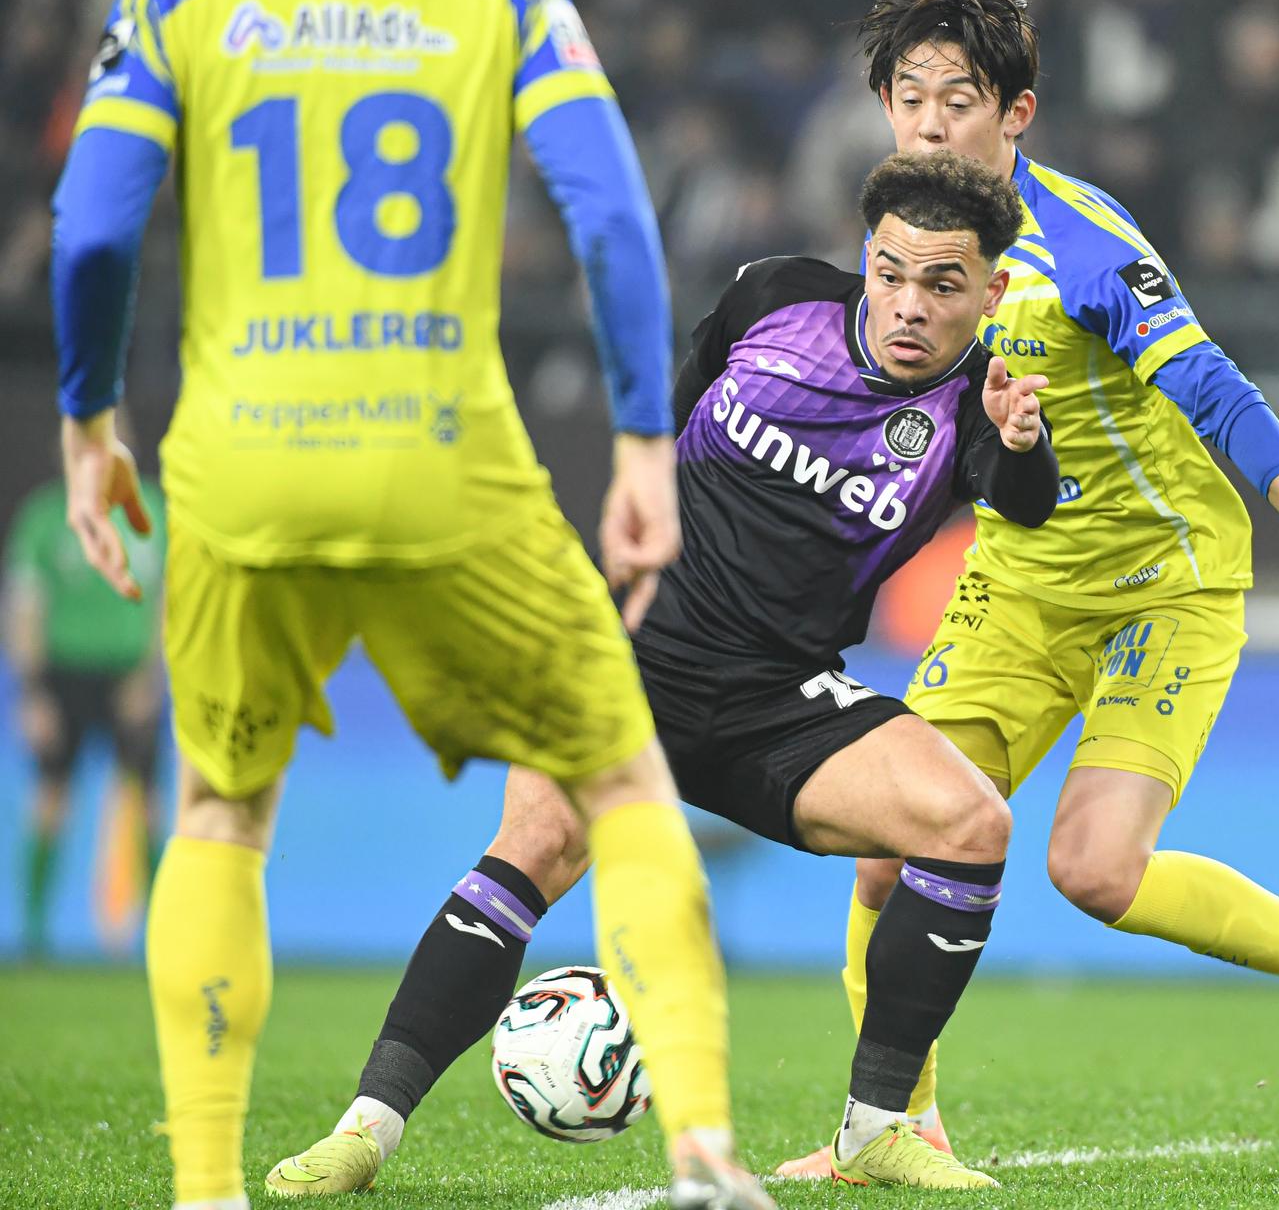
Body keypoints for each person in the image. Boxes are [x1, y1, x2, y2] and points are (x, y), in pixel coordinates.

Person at [48, 0, 766, 1207]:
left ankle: (204, 1186)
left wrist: (89, 417)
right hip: (447, 455)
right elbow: (609, 213)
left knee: (220, 811)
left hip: (242, 460)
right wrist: (647, 439)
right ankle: (707, 1153)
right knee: (622, 781)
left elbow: (96, 232)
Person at [269, 148, 1057, 1192]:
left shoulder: (972, 408)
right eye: (892, 272)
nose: (910, 304)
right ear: (866, 258)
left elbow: (1026, 499)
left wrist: (1023, 438)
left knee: (973, 825)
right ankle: (364, 1130)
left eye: (943, 284)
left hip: (780, 699)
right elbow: (660, 424)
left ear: (990, 290)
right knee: (535, 839)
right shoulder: (774, 296)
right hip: (633, 655)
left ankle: (874, 1125)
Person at [778, 0, 1279, 1177]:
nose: (930, 119)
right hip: (1024, 579)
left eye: (959, 96)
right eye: (910, 94)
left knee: (1089, 867)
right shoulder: (899, 248)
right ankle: (893, 1126)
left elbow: (1217, 388)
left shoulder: (1081, 245)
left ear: (1015, 114)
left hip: (1163, 584)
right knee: (889, 845)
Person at [5, 464, 166, 956]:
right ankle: (33, 937)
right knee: (51, 801)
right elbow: (24, 604)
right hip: (63, 675)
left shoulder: (150, 512)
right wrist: (32, 692)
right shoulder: (45, 515)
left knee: (147, 805)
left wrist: (152, 674)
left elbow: (169, 601)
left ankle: (157, 936)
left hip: (128, 675)